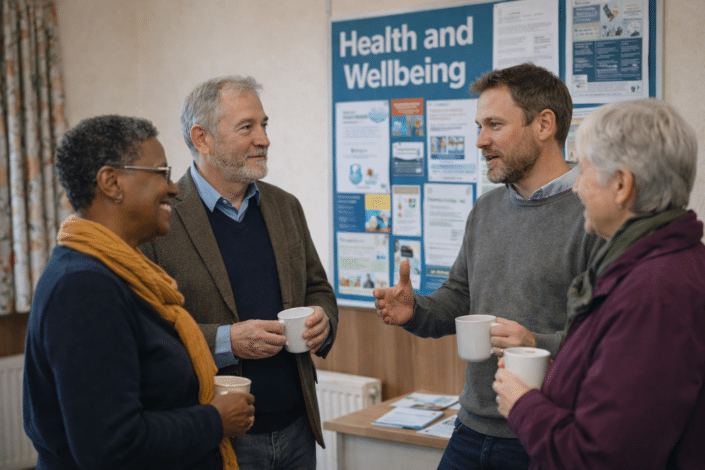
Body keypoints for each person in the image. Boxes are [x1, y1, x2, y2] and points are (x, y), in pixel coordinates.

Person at [372, 63, 604, 470]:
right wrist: (416, 310)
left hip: (546, 434)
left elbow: (608, 341)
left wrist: (537, 344)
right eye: (480, 126)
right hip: (470, 428)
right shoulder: (486, 209)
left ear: (544, 124)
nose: (480, 141)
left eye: (494, 125)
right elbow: (460, 298)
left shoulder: (595, 216)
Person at [23, 115, 255, 470]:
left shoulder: (125, 275)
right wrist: (214, 420)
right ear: (111, 182)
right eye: (160, 172)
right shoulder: (84, 288)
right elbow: (111, 446)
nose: (174, 188)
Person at [493, 99, 705, 469]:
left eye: (584, 169)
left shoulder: (654, 293)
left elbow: (601, 457)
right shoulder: (655, 265)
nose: (576, 187)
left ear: (622, 185)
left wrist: (524, 406)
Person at [140, 76, 338, 470]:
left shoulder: (286, 207)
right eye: (247, 127)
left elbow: (317, 288)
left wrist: (324, 320)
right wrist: (226, 340)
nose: (263, 139)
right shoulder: (157, 220)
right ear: (202, 138)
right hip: (216, 437)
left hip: (298, 427)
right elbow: (147, 330)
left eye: (264, 125)